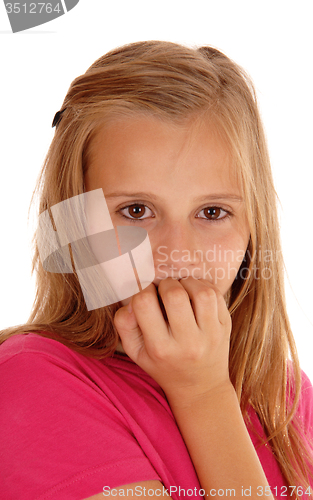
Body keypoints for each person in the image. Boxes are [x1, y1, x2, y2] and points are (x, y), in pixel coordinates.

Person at [0, 41, 312, 500]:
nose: (176, 254)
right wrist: (203, 395)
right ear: (73, 221)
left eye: (211, 213)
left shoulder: (286, 397)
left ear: (253, 227)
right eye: (136, 210)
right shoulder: (31, 379)